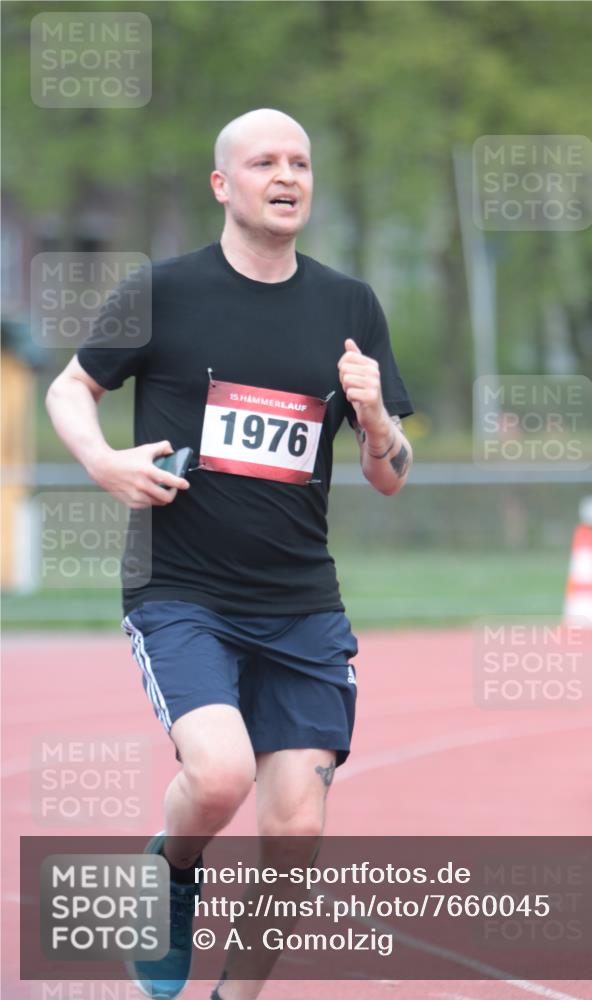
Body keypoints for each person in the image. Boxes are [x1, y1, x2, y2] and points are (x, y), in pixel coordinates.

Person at [46, 108, 413, 999]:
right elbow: (71, 386)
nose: (285, 176)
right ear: (223, 184)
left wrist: (372, 417)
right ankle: (170, 872)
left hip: (300, 602)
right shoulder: (163, 291)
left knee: (295, 827)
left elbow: (392, 473)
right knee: (218, 775)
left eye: (300, 162)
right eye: (262, 162)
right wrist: (103, 462)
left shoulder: (348, 305)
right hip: (181, 589)